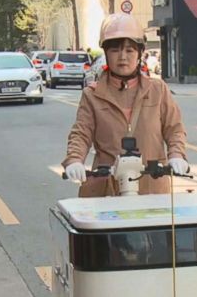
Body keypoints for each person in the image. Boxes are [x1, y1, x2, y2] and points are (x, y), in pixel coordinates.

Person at [63, 13, 188, 197]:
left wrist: (177, 156)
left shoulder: (158, 89)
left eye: (130, 50)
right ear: (106, 53)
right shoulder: (92, 95)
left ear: (139, 53)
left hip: (152, 188)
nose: (123, 57)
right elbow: (81, 133)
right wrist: (75, 160)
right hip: (107, 189)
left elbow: (174, 129)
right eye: (115, 50)